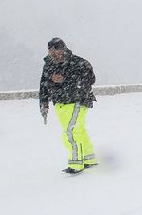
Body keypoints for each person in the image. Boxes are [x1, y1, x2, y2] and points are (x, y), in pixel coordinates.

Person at [39, 38, 98, 174]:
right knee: (79, 131)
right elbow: (43, 85)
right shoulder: (48, 65)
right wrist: (44, 104)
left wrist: (66, 80)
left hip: (77, 100)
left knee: (70, 133)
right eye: (51, 51)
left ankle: (76, 164)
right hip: (60, 103)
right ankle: (89, 158)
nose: (54, 54)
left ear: (63, 49)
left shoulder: (78, 63)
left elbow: (90, 79)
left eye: (56, 50)